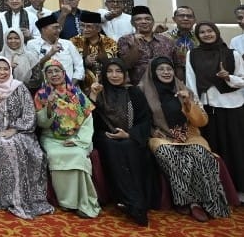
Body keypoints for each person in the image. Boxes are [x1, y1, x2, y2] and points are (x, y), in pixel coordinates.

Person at [141, 56, 229, 222]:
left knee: (200, 154)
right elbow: (140, 120)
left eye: (169, 69)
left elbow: (202, 121)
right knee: (169, 154)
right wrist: (153, 132)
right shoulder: (142, 91)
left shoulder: (185, 90)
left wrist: (188, 103)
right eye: (161, 69)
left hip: (189, 135)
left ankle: (208, 201)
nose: (166, 72)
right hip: (161, 136)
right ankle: (190, 202)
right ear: (153, 72)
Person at [0, 56, 52, 219]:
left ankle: (29, 198)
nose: (2, 72)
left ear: (10, 70)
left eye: (5, 69)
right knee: (5, 146)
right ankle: (8, 199)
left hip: (20, 131)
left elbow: (29, 114)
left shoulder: (19, 87)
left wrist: (15, 129)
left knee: (25, 148)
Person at [87, 59, 152, 226]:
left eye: (118, 71)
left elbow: (145, 120)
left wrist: (129, 134)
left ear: (125, 74)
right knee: (113, 148)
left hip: (130, 135)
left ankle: (137, 202)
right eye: (110, 71)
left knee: (130, 147)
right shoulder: (98, 91)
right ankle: (128, 201)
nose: (114, 75)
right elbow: (86, 119)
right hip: (104, 136)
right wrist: (93, 96)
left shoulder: (134, 92)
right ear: (104, 74)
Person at [33, 59, 101, 219]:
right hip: (51, 138)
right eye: (50, 72)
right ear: (45, 76)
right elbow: (42, 124)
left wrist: (78, 140)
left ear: (64, 73)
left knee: (78, 155)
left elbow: (88, 118)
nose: (54, 74)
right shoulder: (41, 94)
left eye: (57, 71)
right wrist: (49, 106)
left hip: (77, 137)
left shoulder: (76, 92)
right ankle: (67, 202)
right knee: (55, 155)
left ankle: (85, 202)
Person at [186, 22, 244, 201]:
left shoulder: (232, 54)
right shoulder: (192, 54)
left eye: (210, 31)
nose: (206, 34)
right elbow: (190, 81)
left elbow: (242, 79)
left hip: (232, 107)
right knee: (215, 149)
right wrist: (196, 105)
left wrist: (229, 77)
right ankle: (220, 191)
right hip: (208, 109)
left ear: (216, 32)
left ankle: (240, 190)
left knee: (236, 149)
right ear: (198, 36)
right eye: (202, 32)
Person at [118, 6, 177, 84]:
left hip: (166, 85)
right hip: (139, 87)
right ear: (132, 23)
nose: (144, 22)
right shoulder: (125, 40)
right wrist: (134, 46)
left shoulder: (166, 41)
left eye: (147, 19)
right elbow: (126, 65)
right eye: (138, 19)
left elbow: (176, 65)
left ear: (153, 22)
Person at [27, 14, 85, 84]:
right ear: (44, 29)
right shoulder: (32, 44)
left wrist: (71, 85)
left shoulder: (67, 44)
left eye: (59, 28)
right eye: (55, 28)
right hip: (45, 88)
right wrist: (50, 54)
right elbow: (34, 69)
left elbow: (79, 66)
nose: (59, 30)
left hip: (70, 86)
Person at [70, 11, 118, 91]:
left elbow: (116, 63)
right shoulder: (73, 42)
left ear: (98, 28)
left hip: (107, 85)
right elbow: (68, 65)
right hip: (81, 87)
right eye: (82, 26)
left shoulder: (110, 42)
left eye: (89, 26)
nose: (85, 29)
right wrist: (84, 62)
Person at [159, 6, 199, 81]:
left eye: (189, 16)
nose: (185, 18)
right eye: (181, 16)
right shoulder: (163, 37)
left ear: (194, 20)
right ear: (174, 19)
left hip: (198, 76)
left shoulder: (200, 36)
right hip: (171, 77)